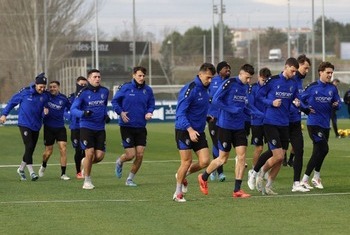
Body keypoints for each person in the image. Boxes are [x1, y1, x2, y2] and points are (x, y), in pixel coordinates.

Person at [198, 64, 255, 198]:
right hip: (225, 126)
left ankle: (237, 190)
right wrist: (231, 109)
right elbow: (216, 101)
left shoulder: (246, 87)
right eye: (247, 77)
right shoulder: (229, 83)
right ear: (241, 74)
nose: (248, 81)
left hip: (239, 127)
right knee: (222, 159)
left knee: (241, 157)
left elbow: (245, 107)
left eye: (250, 78)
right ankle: (204, 177)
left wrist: (258, 113)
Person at [251, 58, 299, 195]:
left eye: (295, 71)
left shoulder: (293, 83)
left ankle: (269, 186)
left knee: (281, 157)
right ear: (286, 67)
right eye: (292, 71)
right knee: (278, 156)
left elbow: (297, 97)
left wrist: (298, 101)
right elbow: (259, 97)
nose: (294, 74)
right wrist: (271, 102)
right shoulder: (272, 80)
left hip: (285, 123)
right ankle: (261, 172)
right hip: (270, 122)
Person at [173, 63, 216, 202]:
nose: (210, 81)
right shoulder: (190, 89)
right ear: (200, 74)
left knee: (205, 161)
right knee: (186, 162)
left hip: (198, 130)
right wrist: (190, 129)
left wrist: (207, 116)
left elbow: (199, 109)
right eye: (208, 77)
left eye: (212, 78)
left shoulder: (207, 90)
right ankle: (178, 192)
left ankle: (182, 175)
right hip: (184, 129)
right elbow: (180, 112)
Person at [0, 73, 49, 181]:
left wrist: (44, 113)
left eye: (44, 87)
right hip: (24, 123)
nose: (42, 89)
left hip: (36, 125)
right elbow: (12, 102)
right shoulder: (25, 92)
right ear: (36, 84)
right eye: (40, 86)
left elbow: (45, 108)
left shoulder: (45, 95)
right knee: (29, 145)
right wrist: (4, 114)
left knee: (30, 149)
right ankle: (32, 172)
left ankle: (21, 169)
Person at [300, 61, 341, 190]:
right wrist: (306, 108)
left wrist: (336, 104)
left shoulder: (332, 88)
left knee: (319, 151)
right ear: (320, 72)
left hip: (325, 125)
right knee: (324, 149)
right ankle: (306, 179)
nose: (330, 75)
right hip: (313, 124)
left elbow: (338, 102)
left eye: (331, 73)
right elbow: (299, 99)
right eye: (328, 72)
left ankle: (315, 177)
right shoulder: (312, 87)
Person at [112, 66, 155, 187]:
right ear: (134, 75)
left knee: (140, 155)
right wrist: (120, 112)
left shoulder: (148, 90)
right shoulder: (125, 88)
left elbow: (151, 104)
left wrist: (149, 112)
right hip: (127, 126)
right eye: (139, 75)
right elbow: (115, 101)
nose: (141, 78)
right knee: (130, 155)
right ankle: (120, 161)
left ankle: (130, 179)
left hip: (141, 126)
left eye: (143, 76)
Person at [70, 69, 109, 189]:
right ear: (89, 79)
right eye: (95, 77)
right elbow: (73, 109)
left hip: (100, 128)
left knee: (99, 156)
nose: (97, 79)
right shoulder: (83, 93)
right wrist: (83, 113)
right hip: (86, 126)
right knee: (90, 153)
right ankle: (87, 181)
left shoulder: (105, 91)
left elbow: (104, 106)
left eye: (99, 77)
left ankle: (85, 161)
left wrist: (105, 115)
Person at [38, 81, 71, 180]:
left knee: (63, 149)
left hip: (60, 127)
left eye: (54, 87)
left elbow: (71, 108)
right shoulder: (45, 96)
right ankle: (43, 165)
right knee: (48, 152)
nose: (52, 88)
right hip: (48, 127)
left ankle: (63, 174)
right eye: (51, 87)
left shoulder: (64, 99)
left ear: (58, 87)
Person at [206, 61, 231, 182]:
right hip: (213, 118)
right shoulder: (212, 81)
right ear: (219, 69)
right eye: (226, 68)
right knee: (217, 144)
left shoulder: (231, 82)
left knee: (222, 145)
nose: (228, 70)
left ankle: (215, 170)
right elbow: (205, 97)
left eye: (229, 68)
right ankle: (217, 172)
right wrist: (207, 114)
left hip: (225, 119)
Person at [247, 67, 271, 187]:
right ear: (258, 77)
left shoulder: (269, 87)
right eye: (262, 79)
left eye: (266, 80)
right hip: (256, 121)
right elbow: (250, 104)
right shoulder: (253, 88)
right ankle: (253, 170)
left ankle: (263, 170)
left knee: (271, 148)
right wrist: (259, 114)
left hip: (269, 121)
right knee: (259, 148)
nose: (264, 82)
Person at [67, 76, 88, 179]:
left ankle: (84, 170)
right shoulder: (71, 97)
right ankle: (78, 171)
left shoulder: (88, 96)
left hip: (85, 126)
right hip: (75, 127)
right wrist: (70, 117)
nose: (83, 86)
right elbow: (64, 110)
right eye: (81, 84)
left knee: (85, 149)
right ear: (77, 84)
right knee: (78, 150)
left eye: (85, 85)